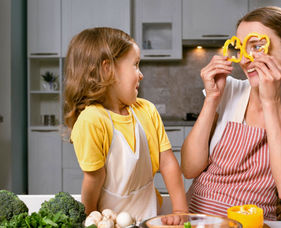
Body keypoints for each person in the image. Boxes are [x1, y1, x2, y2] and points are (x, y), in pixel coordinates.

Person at [181, 6, 281, 221]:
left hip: (254, 223)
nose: (245, 59)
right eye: (241, 48)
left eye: (258, 46)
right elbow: (189, 169)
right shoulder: (229, 89)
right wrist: (211, 99)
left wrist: (271, 102)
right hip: (197, 218)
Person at [64, 27, 188, 222]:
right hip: (111, 223)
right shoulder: (92, 120)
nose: (141, 74)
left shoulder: (146, 110)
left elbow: (168, 163)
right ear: (107, 69)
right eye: (135, 65)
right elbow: (93, 180)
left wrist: (180, 210)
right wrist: (90, 219)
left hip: (150, 218)